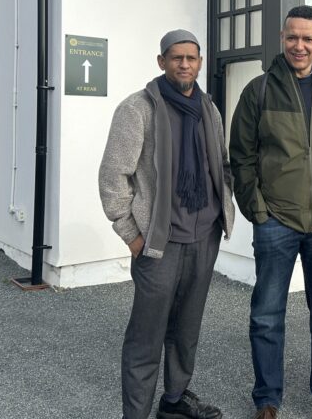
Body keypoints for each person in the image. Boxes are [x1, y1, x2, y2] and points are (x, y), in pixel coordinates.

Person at [98, 29, 234, 419]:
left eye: (192, 58)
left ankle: (174, 401)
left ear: (201, 62)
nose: (185, 64)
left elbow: (220, 166)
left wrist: (223, 212)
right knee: (147, 334)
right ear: (162, 61)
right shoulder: (137, 109)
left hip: (203, 237)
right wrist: (131, 234)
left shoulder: (209, 109)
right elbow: (113, 177)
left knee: (186, 329)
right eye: (177, 58)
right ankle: (136, 413)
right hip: (158, 243)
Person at [229, 6, 312, 419]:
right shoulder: (259, 90)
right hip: (276, 221)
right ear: (282, 39)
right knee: (267, 315)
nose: (299, 46)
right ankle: (267, 398)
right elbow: (241, 157)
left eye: (308, 38)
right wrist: (258, 212)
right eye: (292, 37)